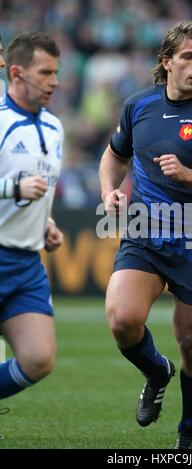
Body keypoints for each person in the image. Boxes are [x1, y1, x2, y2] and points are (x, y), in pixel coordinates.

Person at [99, 20, 192, 449]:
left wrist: (187, 174)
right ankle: (155, 371)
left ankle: (190, 434)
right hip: (144, 235)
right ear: (167, 63)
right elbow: (113, 154)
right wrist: (109, 191)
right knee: (123, 320)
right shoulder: (138, 106)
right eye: (187, 57)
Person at [0, 32, 64, 406]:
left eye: (56, 72)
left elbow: (40, 190)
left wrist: (47, 223)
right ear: (18, 73)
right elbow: (17, 186)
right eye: (46, 73)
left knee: (39, 359)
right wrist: (12, 189)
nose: (54, 81)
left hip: (25, 264)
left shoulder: (55, 128)